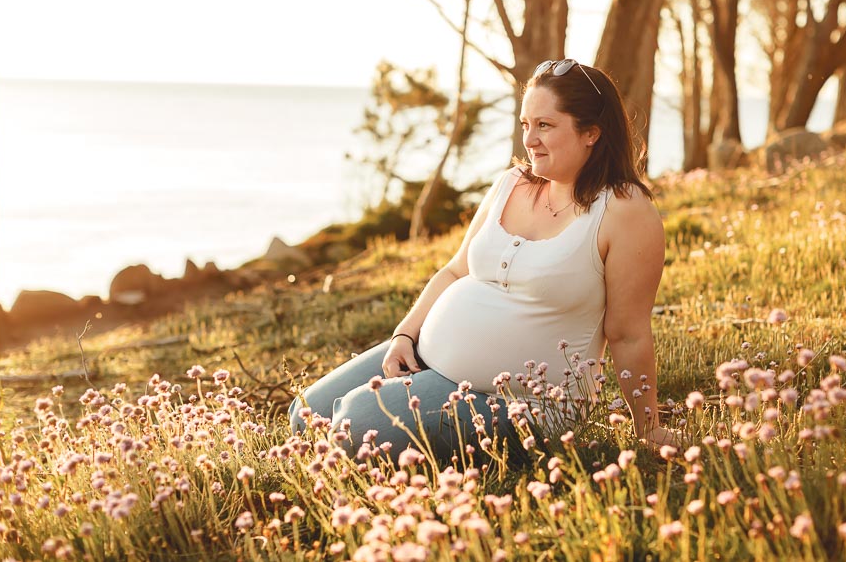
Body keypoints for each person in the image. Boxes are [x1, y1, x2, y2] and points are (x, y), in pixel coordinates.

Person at [289, 58, 676, 458]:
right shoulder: (511, 184)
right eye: (526, 125)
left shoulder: (624, 211)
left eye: (545, 125)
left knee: (353, 425)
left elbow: (629, 332)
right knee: (303, 414)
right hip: (427, 358)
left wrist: (647, 429)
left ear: (591, 133)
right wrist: (405, 335)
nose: (529, 139)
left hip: (518, 403)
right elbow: (456, 270)